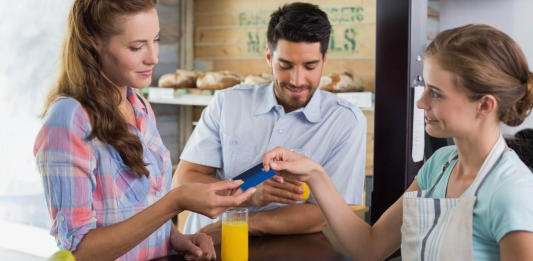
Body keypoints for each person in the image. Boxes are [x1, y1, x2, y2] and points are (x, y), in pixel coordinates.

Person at [263, 24, 533, 261]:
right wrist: (314, 173)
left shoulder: (511, 192)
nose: (421, 102)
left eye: (436, 93)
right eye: (425, 87)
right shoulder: (439, 165)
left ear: (484, 105)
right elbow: (370, 247)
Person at [33, 1, 255, 260]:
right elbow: (80, 252)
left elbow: (143, 208)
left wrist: (176, 238)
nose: (154, 57)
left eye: (156, 40)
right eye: (136, 47)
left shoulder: (140, 107)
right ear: (93, 42)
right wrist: (175, 202)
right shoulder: (70, 118)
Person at [174, 2, 366, 240]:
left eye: (310, 66)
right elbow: (183, 180)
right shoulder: (228, 103)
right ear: (268, 56)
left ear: (324, 59)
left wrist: (240, 224)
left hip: (282, 252)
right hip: (204, 245)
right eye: (285, 65)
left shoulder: (345, 121)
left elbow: (323, 214)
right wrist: (250, 192)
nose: (297, 80)